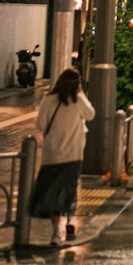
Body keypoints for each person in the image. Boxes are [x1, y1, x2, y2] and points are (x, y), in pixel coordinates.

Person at [30, 67, 95, 247]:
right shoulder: (78, 100)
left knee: (53, 193)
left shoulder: (49, 100)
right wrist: (81, 94)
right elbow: (91, 114)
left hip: (52, 154)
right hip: (73, 153)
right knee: (70, 189)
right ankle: (70, 224)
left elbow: (40, 124)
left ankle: (54, 235)